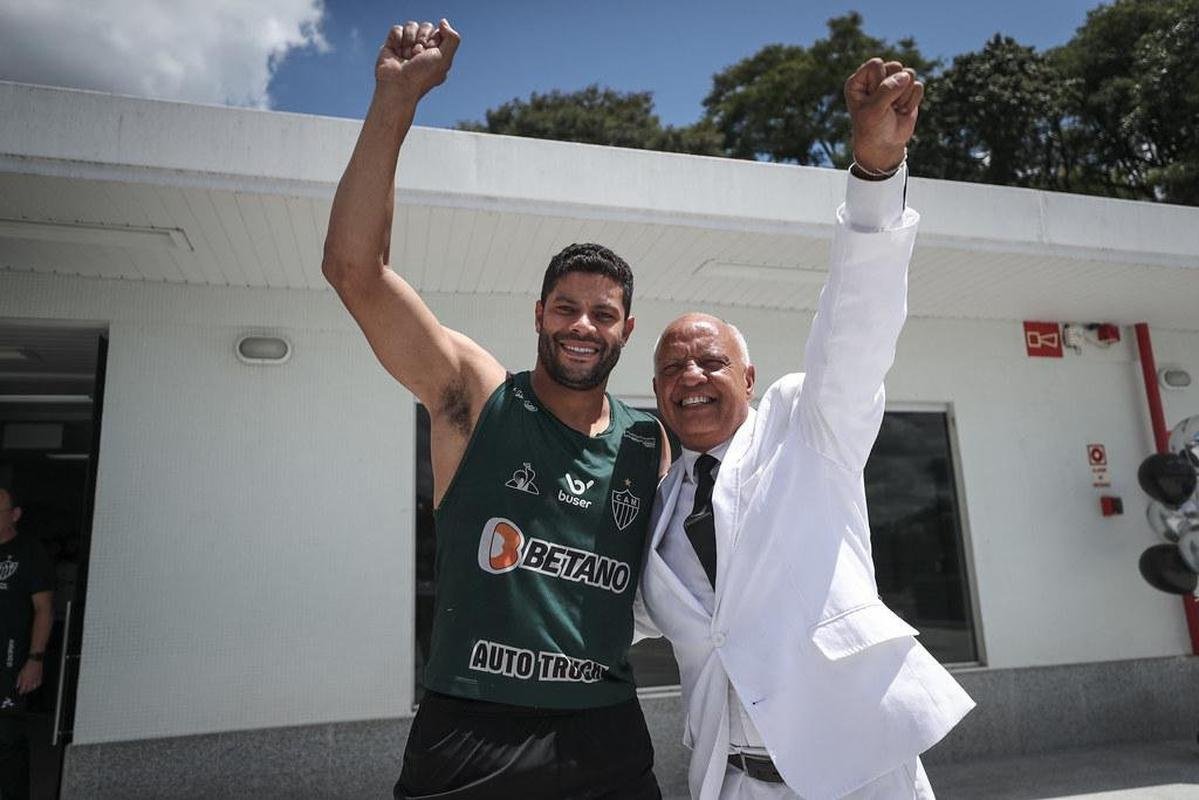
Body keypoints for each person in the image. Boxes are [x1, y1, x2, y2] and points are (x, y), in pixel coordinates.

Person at [322, 18, 671, 800]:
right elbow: (354, 269)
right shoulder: (476, 397)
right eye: (566, 308)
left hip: (606, 727)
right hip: (473, 729)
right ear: (538, 313)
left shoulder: (649, 439)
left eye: (602, 313)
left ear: (626, 330)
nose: (582, 326)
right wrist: (395, 100)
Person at [636, 59, 975, 799]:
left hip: (858, 776)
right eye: (670, 368)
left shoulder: (804, 424)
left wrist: (875, 176)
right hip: (730, 781)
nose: (689, 377)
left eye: (709, 361)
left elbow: (857, 323)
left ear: (748, 379)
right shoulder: (654, 507)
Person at [0, 487, 54, 800]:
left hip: (11, 658)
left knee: (7, 738)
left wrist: (35, 659)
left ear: (15, 515)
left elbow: (44, 609)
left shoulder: (30, 552)